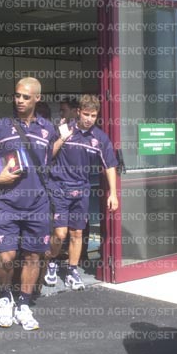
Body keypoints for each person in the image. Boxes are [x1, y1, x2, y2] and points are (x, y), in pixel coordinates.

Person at [0, 77, 58, 331]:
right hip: (7, 205)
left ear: (37, 98)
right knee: (6, 257)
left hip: (38, 205)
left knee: (33, 256)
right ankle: (5, 297)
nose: (20, 100)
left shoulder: (47, 129)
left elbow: (47, 162)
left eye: (26, 97)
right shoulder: (0, 127)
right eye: (17, 95)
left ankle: (23, 304)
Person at [44, 94, 118, 290]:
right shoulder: (64, 129)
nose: (89, 119)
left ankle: (72, 270)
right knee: (60, 233)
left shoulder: (100, 137)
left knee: (77, 232)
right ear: (78, 112)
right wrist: (62, 138)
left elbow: (110, 166)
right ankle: (51, 261)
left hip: (81, 190)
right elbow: (47, 155)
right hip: (59, 187)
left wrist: (113, 193)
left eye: (93, 115)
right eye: (86, 114)